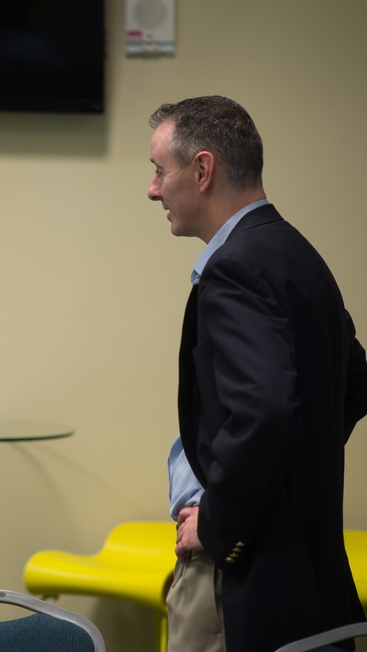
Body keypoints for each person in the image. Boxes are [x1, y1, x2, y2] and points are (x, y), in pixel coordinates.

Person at [148, 96, 367, 652]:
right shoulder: (298, 253)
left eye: (158, 170)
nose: (152, 190)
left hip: (244, 588)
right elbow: (355, 382)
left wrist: (222, 524)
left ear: (202, 170)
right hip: (311, 578)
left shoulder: (235, 268)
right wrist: (296, 477)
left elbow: (265, 410)